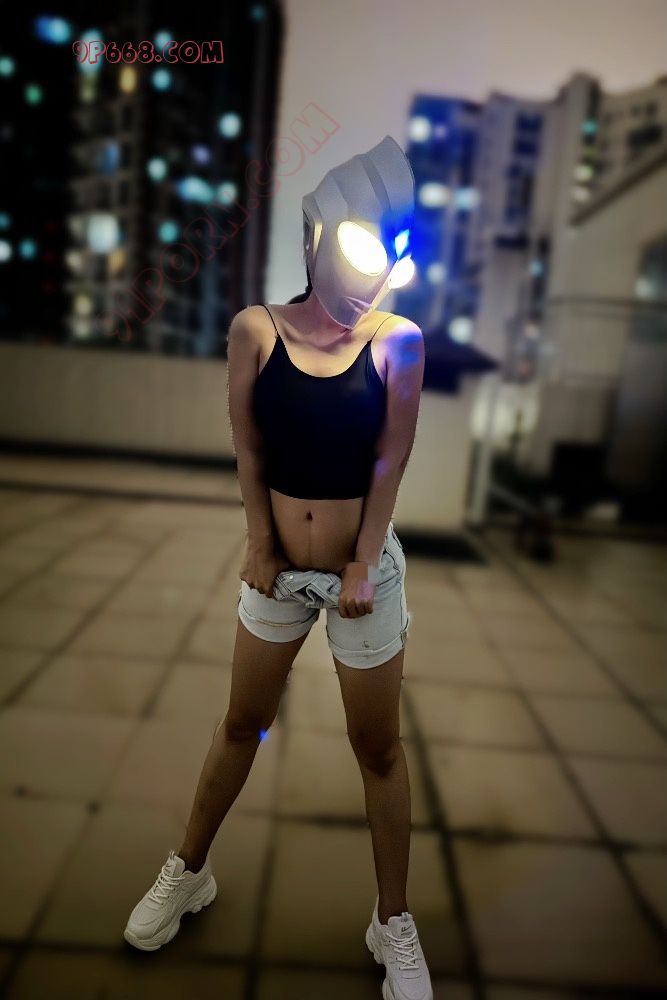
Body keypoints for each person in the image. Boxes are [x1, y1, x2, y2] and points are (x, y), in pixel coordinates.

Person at [124, 136, 432, 999]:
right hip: (279, 576)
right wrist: (259, 543)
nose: (370, 283)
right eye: (357, 253)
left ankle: (392, 922)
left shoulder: (399, 342)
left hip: (364, 578)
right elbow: (249, 446)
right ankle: (189, 871)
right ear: (315, 236)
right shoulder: (255, 330)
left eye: (387, 262)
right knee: (240, 725)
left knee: (378, 749)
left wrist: (363, 564)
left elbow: (389, 463)